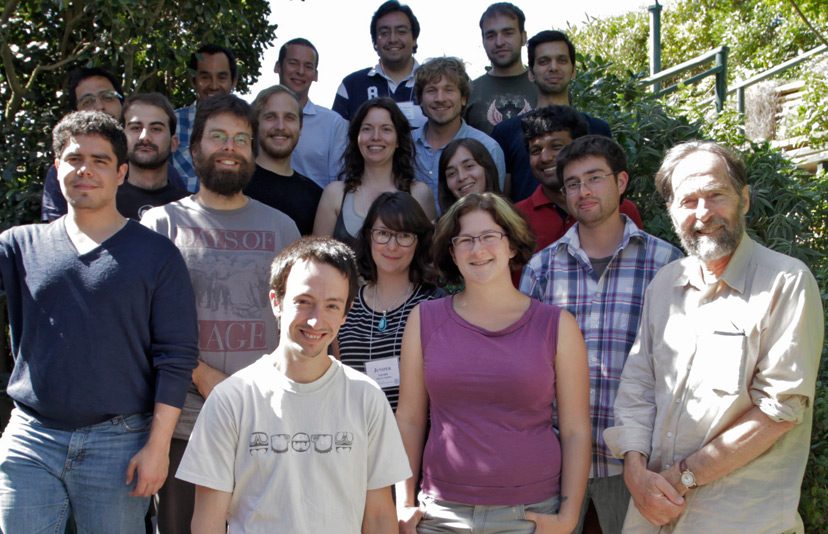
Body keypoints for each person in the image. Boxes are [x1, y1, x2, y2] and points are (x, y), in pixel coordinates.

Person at [604, 141, 823, 533]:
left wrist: (681, 479)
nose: (703, 213)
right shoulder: (665, 284)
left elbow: (778, 411)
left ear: (744, 199)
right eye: (688, 201)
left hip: (739, 520)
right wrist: (635, 473)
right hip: (651, 514)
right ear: (672, 211)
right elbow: (638, 386)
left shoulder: (786, 282)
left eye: (716, 195)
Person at [0, 110, 198, 533]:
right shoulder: (19, 246)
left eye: (100, 160)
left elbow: (176, 356)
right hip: (31, 438)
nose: (85, 170)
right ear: (57, 167)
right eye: (74, 159)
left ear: (121, 172)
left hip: (119, 443)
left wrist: (158, 447)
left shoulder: (157, 254)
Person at [141, 94, 300, 534]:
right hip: (186, 425)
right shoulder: (160, 226)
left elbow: (301, 323)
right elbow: (141, 324)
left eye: (241, 139)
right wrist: (201, 374)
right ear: (194, 149)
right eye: (218, 137)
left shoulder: (282, 228)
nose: (230, 147)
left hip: (267, 424)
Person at [177, 236, 412, 533]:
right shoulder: (231, 399)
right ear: (276, 301)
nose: (315, 321)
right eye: (304, 302)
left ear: (346, 313)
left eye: (331, 306)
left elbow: (379, 517)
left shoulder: (367, 398)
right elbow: (207, 522)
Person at [395, 192, 591, 533]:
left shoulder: (557, 325)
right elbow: (409, 419)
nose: (477, 249)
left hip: (530, 514)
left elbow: (575, 430)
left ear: (511, 245)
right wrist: (403, 502)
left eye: (489, 236)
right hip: (440, 513)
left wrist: (569, 515)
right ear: (452, 252)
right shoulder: (424, 319)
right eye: (465, 240)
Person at [521, 136, 683, 534]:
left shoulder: (666, 264)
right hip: (556, 460)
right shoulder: (542, 269)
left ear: (621, 181)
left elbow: (681, 365)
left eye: (595, 178)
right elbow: (525, 366)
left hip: (637, 459)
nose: (584, 191)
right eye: (573, 183)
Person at [335, 192, 442, 410]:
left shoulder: (434, 304)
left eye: (404, 235)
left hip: (418, 430)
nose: (392, 246)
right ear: (368, 237)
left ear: (419, 242)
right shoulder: (346, 305)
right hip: (359, 427)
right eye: (383, 233)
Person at [492, 30, 612, 202]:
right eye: (544, 61)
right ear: (531, 73)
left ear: (573, 70)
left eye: (562, 60)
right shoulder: (506, 132)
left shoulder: (598, 129)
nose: (553, 67)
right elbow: (502, 197)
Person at [516, 106, 643, 252]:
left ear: (579, 148)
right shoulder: (517, 216)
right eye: (536, 151)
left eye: (556, 146)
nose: (545, 158)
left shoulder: (619, 208)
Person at [314, 98, 435, 247]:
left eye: (386, 129)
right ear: (356, 137)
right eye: (367, 129)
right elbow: (317, 257)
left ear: (398, 140)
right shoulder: (334, 194)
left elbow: (427, 256)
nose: (376, 137)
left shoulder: (419, 194)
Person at [411, 57, 505, 207]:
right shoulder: (405, 145)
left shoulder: (488, 147)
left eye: (449, 90)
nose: (440, 98)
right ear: (420, 99)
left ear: (463, 98)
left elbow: (495, 208)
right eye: (431, 90)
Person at [333, 1, 427, 128]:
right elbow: (337, 137)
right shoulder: (352, 85)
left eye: (401, 31)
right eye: (384, 33)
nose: (393, 39)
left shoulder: (434, 82)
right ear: (375, 42)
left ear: (414, 39)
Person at [245, 84, 323, 235]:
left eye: (289, 118)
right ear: (255, 126)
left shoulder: (316, 197)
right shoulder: (236, 186)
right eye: (270, 117)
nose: (280, 126)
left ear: (300, 128)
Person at [274, 38, 348, 188]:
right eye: (293, 63)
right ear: (278, 67)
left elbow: (339, 183)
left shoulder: (333, 124)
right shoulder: (252, 117)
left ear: (315, 75)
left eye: (308, 66)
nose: (300, 71)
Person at [172, 44, 238, 192]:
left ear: (233, 81)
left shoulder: (248, 126)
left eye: (221, 77)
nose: (214, 85)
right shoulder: (173, 123)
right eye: (205, 77)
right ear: (193, 81)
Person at [464, 2, 538, 135]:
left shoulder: (545, 87)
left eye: (508, 33)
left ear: (523, 37)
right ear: (483, 41)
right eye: (491, 36)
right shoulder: (468, 93)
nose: (499, 42)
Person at [118, 92, 188, 220]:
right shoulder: (104, 203)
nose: (145, 137)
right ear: (122, 140)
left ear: (173, 143)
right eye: (135, 128)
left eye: (156, 129)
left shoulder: (190, 209)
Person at [437, 138, 501, 213]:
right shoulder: (443, 221)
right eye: (452, 173)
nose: (461, 177)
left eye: (469, 166)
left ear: (486, 168)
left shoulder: (510, 217)